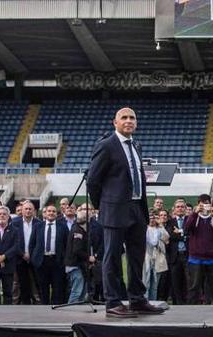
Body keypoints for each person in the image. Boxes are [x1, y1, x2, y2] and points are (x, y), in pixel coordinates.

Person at [87, 107, 164, 317]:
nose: (129, 121)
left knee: (136, 256)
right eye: (124, 118)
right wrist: (101, 206)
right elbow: (93, 180)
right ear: (115, 122)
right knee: (112, 257)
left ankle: (137, 299)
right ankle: (112, 302)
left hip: (137, 209)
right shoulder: (106, 145)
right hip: (114, 210)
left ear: (136, 123)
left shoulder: (136, 145)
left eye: (132, 118)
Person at [184, 202, 213, 304]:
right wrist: (194, 213)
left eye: (207, 205)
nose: (204, 208)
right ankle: (191, 309)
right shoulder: (193, 217)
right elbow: (186, 229)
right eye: (202, 205)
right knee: (194, 286)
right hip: (196, 257)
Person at [30, 205, 68, 305]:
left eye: (54, 211)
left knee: (57, 287)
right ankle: (44, 308)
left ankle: (55, 309)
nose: (51, 213)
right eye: (49, 211)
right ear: (45, 213)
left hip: (57, 261)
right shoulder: (38, 226)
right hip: (41, 261)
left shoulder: (63, 226)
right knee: (43, 287)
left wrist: (64, 260)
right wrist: (34, 259)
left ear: (57, 214)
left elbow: (67, 244)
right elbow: (32, 244)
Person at [10, 200, 41, 304]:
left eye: (30, 209)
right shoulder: (15, 223)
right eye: (26, 209)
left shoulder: (39, 223)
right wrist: (23, 254)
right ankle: (25, 304)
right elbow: (14, 242)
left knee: (36, 282)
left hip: (34, 258)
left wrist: (31, 255)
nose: (28, 211)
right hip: (20, 258)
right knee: (22, 283)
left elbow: (39, 242)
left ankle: (38, 304)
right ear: (22, 211)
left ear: (34, 211)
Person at [64, 205, 95, 304]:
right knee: (77, 291)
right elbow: (77, 250)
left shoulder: (76, 229)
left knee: (81, 292)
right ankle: (70, 310)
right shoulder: (78, 231)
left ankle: (77, 309)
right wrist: (89, 257)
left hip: (76, 265)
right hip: (75, 265)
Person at [166, 199, 190, 304]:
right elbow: (170, 236)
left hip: (187, 254)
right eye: (178, 207)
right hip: (175, 256)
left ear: (185, 209)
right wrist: (184, 234)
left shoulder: (190, 220)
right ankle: (177, 303)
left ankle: (188, 302)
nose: (180, 209)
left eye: (182, 207)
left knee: (188, 281)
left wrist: (180, 233)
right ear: (174, 209)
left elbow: (192, 236)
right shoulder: (170, 221)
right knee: (175, 281)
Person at [142, 210, 169, 301]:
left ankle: (153, 301)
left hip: (158, 258)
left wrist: (160, 225)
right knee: (146, 281)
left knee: (155, 282)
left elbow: (166, 238)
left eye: (154, 217)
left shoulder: (159, 229)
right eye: (150, 217)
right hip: (146, 257)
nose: (152, 219)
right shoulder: (144, 228)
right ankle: (145, 300)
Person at [0, 206, 20, 305]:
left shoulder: (15, 230)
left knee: (8, 292)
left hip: (8, 264)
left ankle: (8, 315)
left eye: (4, 214)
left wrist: (4, 256)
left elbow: (16, 246)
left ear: (8, 216)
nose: (2, 216)